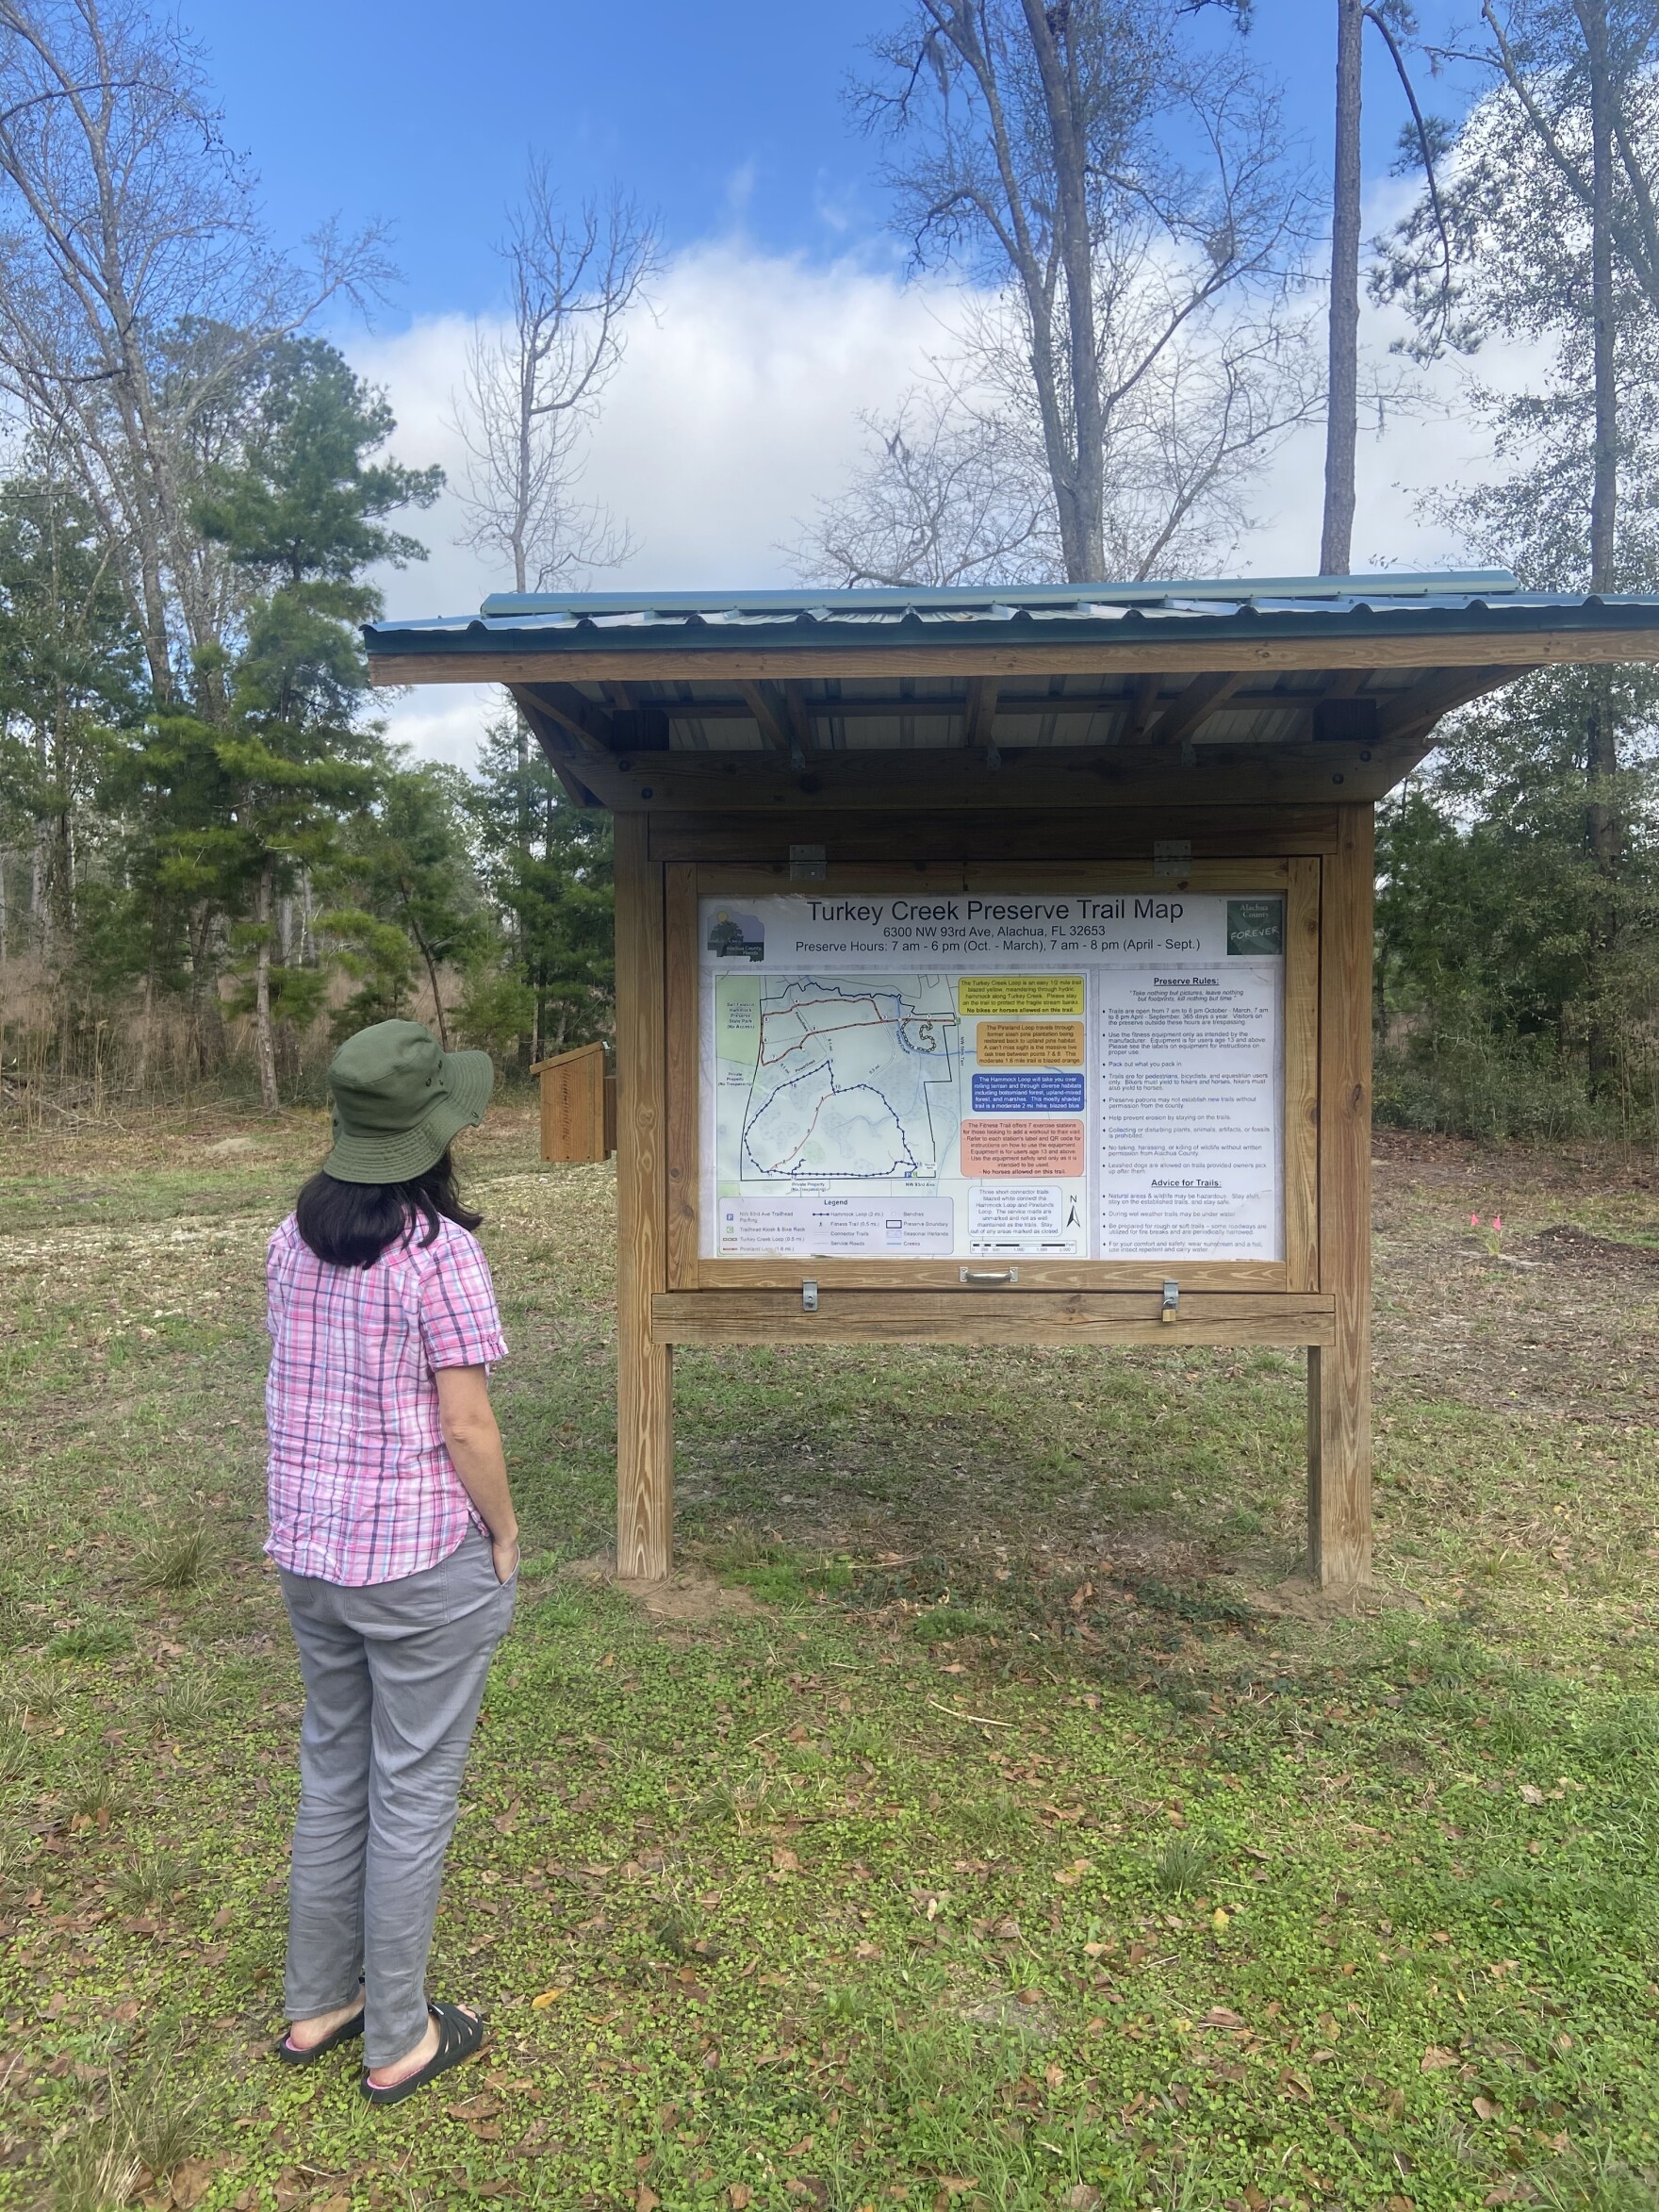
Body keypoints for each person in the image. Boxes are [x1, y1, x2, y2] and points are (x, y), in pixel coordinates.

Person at [264, 1018, 519, 2105]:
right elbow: (468, 1427)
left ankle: (318, 2002)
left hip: (310, 1555)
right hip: (417, 1560)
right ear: (435, 1130)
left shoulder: (290, 1235)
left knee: (335, 1770)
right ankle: (400, 2037)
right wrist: (503, 1534)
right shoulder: (440, 1255)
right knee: (412, 1791)